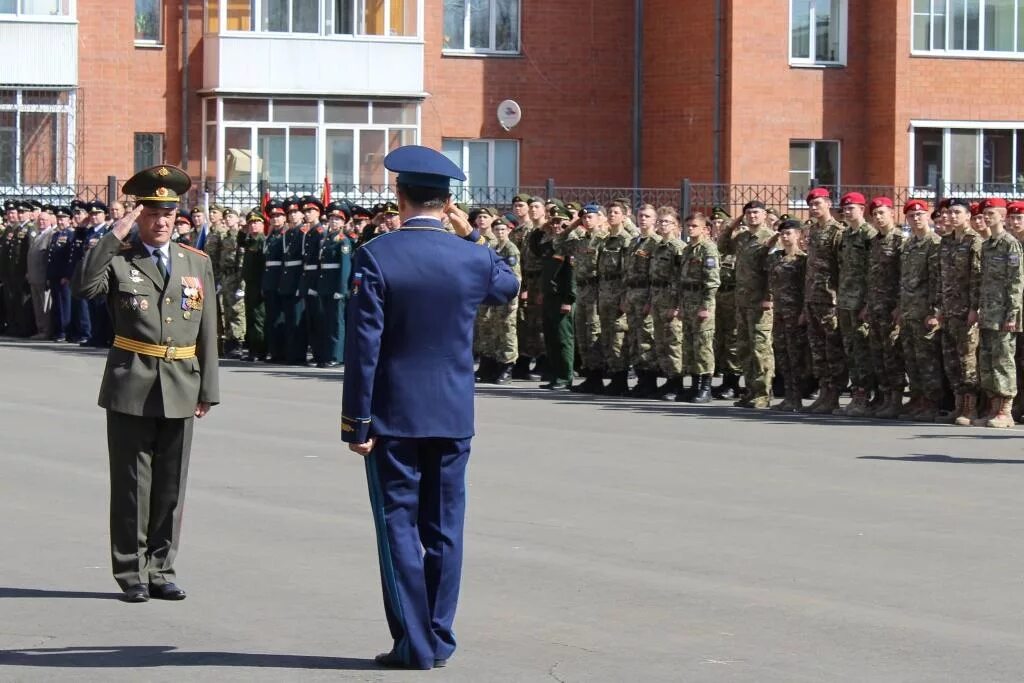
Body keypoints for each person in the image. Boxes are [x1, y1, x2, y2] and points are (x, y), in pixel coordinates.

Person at [341, 145, 518, 670]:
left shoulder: (378, 254)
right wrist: (473, 235)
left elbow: (363, 347)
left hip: (395, 413)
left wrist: (358, 419)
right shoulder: (474, 256)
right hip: (453, 411)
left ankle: (414, 643)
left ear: (400, 196)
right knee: (445, 527)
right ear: (448, 202)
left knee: (398, 522)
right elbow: (507, 287)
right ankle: (437, 637)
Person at [71, 164, 219, 603]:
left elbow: (209, 328)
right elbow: (84, 287)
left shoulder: (197, 262)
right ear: (140, 217)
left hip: (181, 381)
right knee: (133, 484)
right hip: (132, 382)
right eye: (152, 214)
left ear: (178, 218)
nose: (161, 222)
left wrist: (208, 388)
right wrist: (113, 236)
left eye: (168, 215)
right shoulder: (120, 259)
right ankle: (131, 572)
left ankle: (161, 568)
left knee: (171, 486)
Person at [973, 197, 1023, 428]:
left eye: (991, 213)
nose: (986, 217)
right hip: (988, 313)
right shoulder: (987, 245)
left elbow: (1016, 280)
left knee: (1004, 360)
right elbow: (983, 280)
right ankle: (994, 407)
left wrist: (1013, 314)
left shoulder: (1010, 244)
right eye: (984, 214)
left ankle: (1006, 410)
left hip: (1004, 313)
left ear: (1002, 216)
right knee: (987, 361)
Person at [897, 199, 943, 421]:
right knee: (912, 359)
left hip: (925, 311)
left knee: (927, 360)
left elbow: (937, 280)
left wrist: (935, 311)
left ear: (928, 216)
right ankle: (917, 399)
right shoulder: (908, 245)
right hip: (908, 311)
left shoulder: (935, 243)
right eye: (911, 216)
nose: (916, 219)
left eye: (920, 214)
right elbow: (903, 279)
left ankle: (931, 403)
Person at [834, 192, 878, 416]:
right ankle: (856, 394)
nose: (847, 212)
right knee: (851, 349)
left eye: (851, 208)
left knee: (862, 349)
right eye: (845, 209)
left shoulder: (869, 234)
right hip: (845, 300)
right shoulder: (846, 235)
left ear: (862, 209)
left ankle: (864, 396)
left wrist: (868, 303)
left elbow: (874, 271)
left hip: (861, 300)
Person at [677, 212, 721, 403]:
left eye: (695, 226)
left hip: (701, 303)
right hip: (687, 302)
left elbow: (712, 281)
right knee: (689, 346)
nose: (690, 229)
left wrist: (706, 305)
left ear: (705, 229)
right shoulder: (688, 249)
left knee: (703, 346)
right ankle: (694, 385)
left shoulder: (708, 250)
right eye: (688, 226)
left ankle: (705, 387)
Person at [767, 218, 810, 411]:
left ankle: (797, 397)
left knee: (796, 356)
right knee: (782, 355)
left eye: (789, 233)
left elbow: (807, 288)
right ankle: (788, 396)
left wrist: (804, 312)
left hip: (795, 314)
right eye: (782, 234)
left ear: (799, 235)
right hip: (779, 313)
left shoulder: (803, 260)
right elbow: (761, 258)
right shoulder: (776, 257)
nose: (785, 237)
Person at [315, 201, 353, 368]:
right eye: (332, 218)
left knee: (337, 323)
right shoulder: (328, 239)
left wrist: (342, 289)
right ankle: (327, 353)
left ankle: (337, 356)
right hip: (325, 286)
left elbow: (345, 268)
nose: (334, 221)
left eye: (338, 219)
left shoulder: (343, 241)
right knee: (326, 321)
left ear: (343, 222)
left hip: (336, 287)